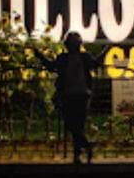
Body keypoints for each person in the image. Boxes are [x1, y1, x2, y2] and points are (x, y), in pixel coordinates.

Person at [34, 32, 108, 164]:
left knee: (76, 125)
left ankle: (78, 154)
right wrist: (41, 57)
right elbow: (52, 67)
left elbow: (94, 64)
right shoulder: (65, 58)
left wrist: (105, 51)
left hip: (80, 94)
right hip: (71, 94)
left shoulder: (81, 57)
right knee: (74, 125)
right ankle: (85, 147)